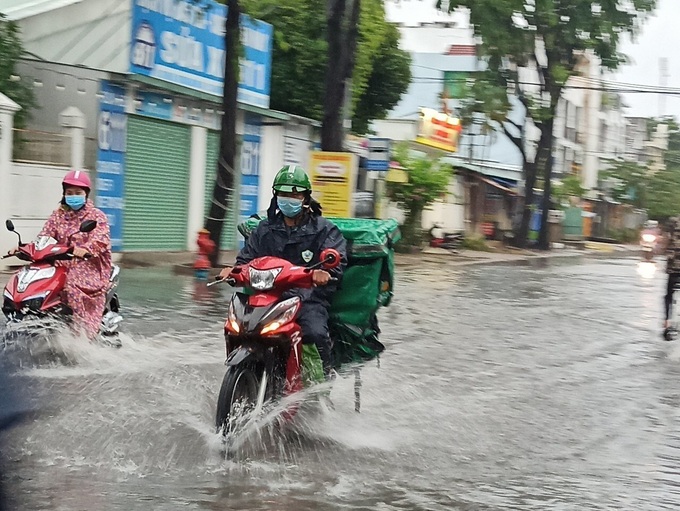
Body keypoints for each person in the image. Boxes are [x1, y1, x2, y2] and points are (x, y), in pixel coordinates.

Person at [219, 165, 347, 374]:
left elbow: (336, 261)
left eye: (294, 194)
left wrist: (324, 273)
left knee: (314, 333)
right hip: (268, 297)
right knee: (238, 328)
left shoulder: (324, 230)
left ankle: (317, 385)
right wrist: (232, 271)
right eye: (284, 194)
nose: (289, 199)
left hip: (308, 298)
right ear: (276, 196)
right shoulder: (264, 229)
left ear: (305, 198)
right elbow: (245, 259)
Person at [10, 170, 112, 341]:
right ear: (64, 193)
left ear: (86, 194)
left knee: (70, 284)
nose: (73, 196)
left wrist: (85, 249)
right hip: (60, 262)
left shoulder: (96, 216)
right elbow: (44, 237)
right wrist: (23, 248)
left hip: (88, 265)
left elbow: (100, 239)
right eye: (69, 193)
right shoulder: (58, 215)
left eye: (78, 193)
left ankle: (82, 332)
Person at [664, 216, 680, 334]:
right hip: (674, 265)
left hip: (673, 266)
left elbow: (667, 242)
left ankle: (667, 320)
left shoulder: (673, 222)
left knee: (668, 294)